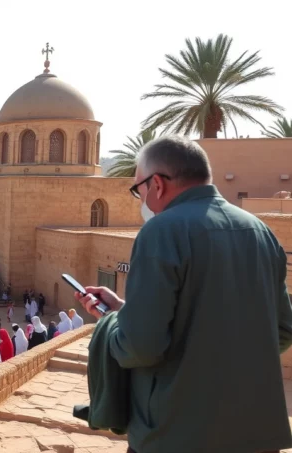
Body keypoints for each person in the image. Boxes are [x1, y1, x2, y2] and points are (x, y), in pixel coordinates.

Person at [72, 136, 292, 453]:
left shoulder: (161, 231)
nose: (141, 199)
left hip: (175, 434)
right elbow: (282, 330)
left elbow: (141, 347)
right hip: (256, 434)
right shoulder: (260, 232)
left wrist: (112, 325)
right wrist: (124, 309)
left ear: (157, 184)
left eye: (138, 189)